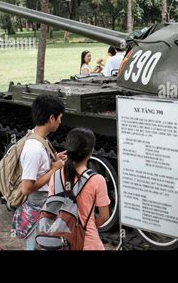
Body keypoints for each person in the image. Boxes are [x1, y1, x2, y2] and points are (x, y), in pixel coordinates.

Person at [16, 95, 67, 250]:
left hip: (44, 205)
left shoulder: (38, 139)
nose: (60, 122)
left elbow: (38, 170)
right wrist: (53, 170)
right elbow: (26, 188)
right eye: (59, 118)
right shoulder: (34, 149)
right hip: (39, 206)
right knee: (40, 245)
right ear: (51, 118)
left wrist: (53, 160)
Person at [48, 127, 110, 250]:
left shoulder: (55, 176)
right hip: (88, 242)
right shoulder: (97, 180)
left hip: (62, 241)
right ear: (90, 152)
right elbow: (104, 216)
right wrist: (90, 226)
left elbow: (52, 208)